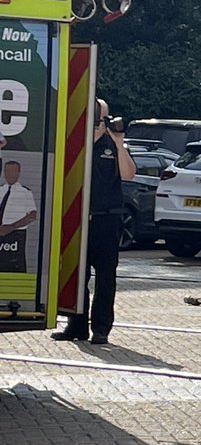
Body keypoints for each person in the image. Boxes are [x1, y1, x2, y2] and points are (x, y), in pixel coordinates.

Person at [51, 99, 135, 345]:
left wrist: (118, 143)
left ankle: (101, 329)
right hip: (78, 219)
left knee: (106, 276)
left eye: (102, 118)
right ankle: (75, 326)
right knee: (76, 275)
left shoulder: (114, 143)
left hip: (107, 219)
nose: (99, 123)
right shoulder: (77, 142)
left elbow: (129, 174)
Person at [0, 161, 39, 273]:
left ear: (18, 173)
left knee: (14, 265)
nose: (9, 174)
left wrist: (12, 227)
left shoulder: (25, 192)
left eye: (12, 171)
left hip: (15, 236)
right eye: (7, 171)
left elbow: (32, 215)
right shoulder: (1, 190)